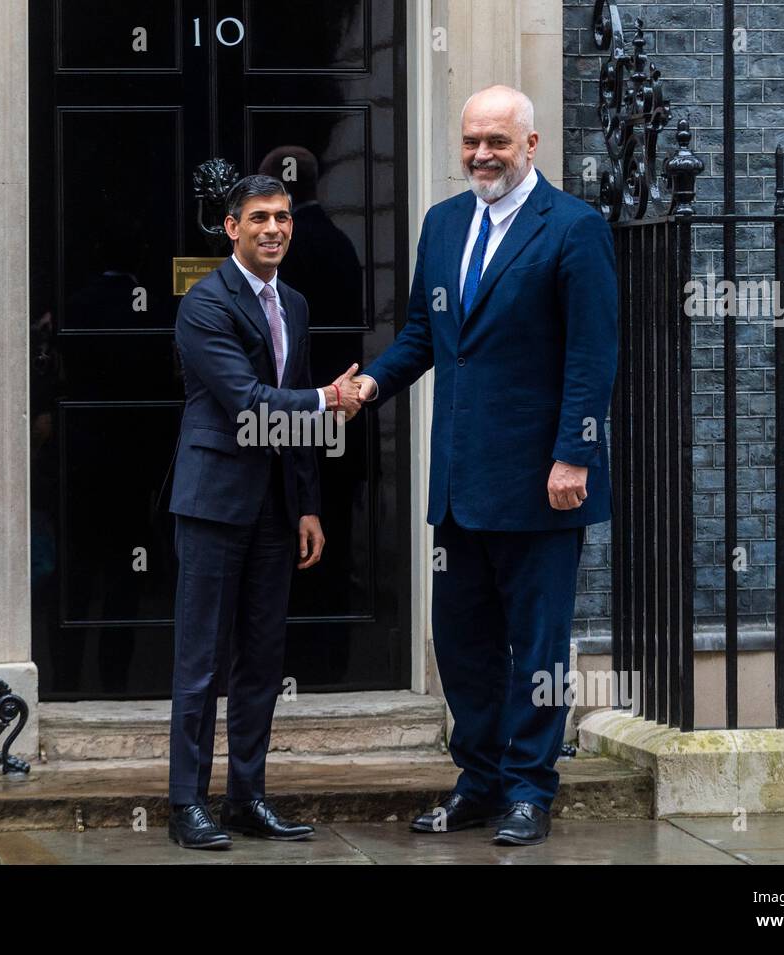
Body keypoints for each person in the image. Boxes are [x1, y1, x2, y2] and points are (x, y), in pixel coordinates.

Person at [354, 85, 618, 846]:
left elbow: (592, 356)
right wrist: (371, 383)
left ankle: (531, 787)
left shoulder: (574, 228)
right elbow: (423, 334)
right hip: (458, 485)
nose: (481, 154)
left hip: (543, 482)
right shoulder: (442, 225)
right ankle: (479, 779)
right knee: (463, 642)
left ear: (530, 146)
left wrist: (575, 454)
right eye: (472, 140)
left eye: (497, 141)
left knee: (536, 645)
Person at [167, 174, 363, 849]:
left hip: (276, 512)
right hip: (215, 504)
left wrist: (308, 504)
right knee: (201, 662)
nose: (274, 228)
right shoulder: (204, 304)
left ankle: (246, 797)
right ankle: (185, 803)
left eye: (282, 216)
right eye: (259, 218)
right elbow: (249, 403)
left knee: (260, 659)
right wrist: (325, 401)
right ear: (232, 227)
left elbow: (291, 425)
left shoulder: (298, 305)